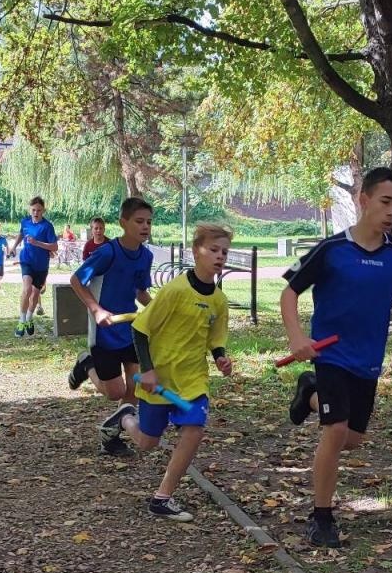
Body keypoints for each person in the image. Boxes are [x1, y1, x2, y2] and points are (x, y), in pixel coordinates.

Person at [281, 167, 392, 548]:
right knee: (335, 429)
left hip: (368, 359)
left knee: (353, 439)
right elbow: (289, 292)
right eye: (385, 201)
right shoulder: (331, 249)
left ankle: (308, 394)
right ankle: (321, 518)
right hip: (330, 355)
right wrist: (297, 337)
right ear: (364, 199)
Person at [106, 223, 233, 520]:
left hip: (192, 381)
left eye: (224, 252)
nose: (220, 256)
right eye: (213, 250)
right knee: (147, 442)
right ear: (196, 251)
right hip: (159, 380)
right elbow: (140, 330)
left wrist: (221, 358)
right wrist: (147, 371)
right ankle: (125, 418)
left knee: (195, 429)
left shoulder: (219, 300)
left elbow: (216, 339)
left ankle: (162, 498)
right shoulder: (175, 290)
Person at [68, 197, 157, 456]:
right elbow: (76, 280)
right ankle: (86, 363)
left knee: (135, 387)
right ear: (123, 223)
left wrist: (156, 310)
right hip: (104, 330)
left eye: (149, 222)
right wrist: (97, 310)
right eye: (139, 221)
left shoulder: (146, 256)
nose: (145, 227)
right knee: (115, 391)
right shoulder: (107, 252)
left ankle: (111, 435)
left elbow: (141, 293)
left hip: (130, 329)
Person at [14, 196, 59, 337]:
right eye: (33, 210)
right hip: (27, 261)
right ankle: (21, 321)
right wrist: (13, 246)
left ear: (43, 210)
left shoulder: (47, 226)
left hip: (41, 265)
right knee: (26, 289)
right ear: (30, 210)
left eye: (39, 210)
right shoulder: (25, 222)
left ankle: (29, 318)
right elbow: (21, 233)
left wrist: (37, 243)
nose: (36, 213)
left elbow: (54, 246)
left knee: (35, 294)